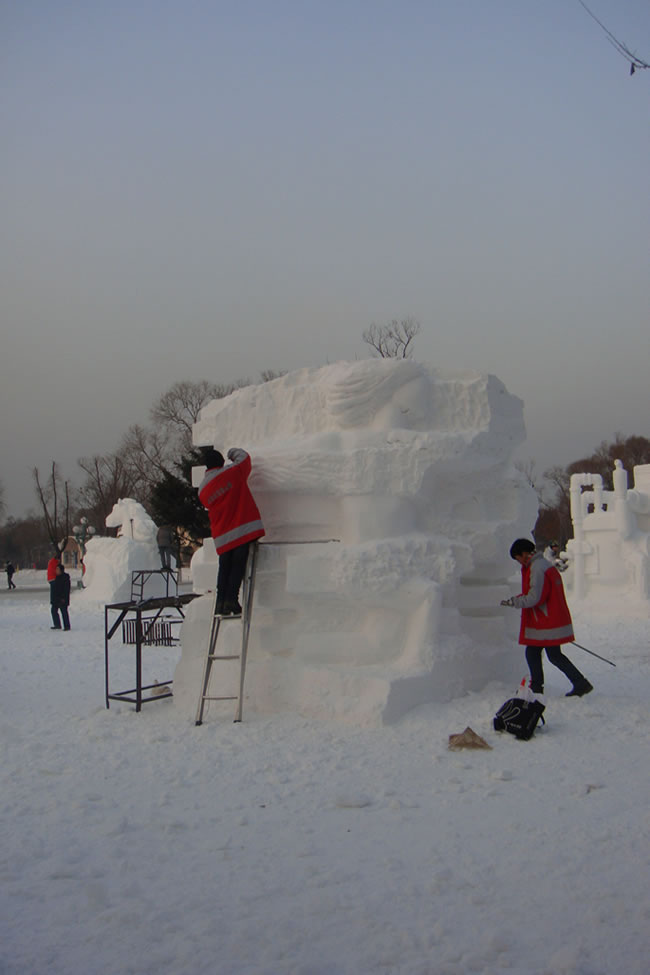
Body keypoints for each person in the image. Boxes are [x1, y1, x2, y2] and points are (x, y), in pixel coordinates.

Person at [501, 538, 593, 697]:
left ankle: (538, 688)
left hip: (545, 621)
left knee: (535, 653)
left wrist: (514, 602)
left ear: (523, 554)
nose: (519, 562)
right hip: (550, 619)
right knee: (550, 654)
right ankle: (578, 683)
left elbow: (535, 597)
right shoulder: (543, 565)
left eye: (518, 558)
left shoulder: (537, 568)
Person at [198, 447, 265, 615]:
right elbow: (244, 458)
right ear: (221, 462)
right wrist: (231, 451)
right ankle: (231, 601)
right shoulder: (233, 472)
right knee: (237, 566)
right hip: (242, 529)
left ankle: (220, 602)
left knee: (225, 568)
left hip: (222, 535)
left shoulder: (203, 490)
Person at [50, 563, 71, 630]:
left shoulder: (65, 578)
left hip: (62, 599)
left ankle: (67, 626)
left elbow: (66, 589)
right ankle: (57, 624)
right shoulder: (57, 578)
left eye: (57, 569)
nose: (56, 571)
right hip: (56, 599)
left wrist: (63, 598)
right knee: (53, 611)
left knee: (64, 612)